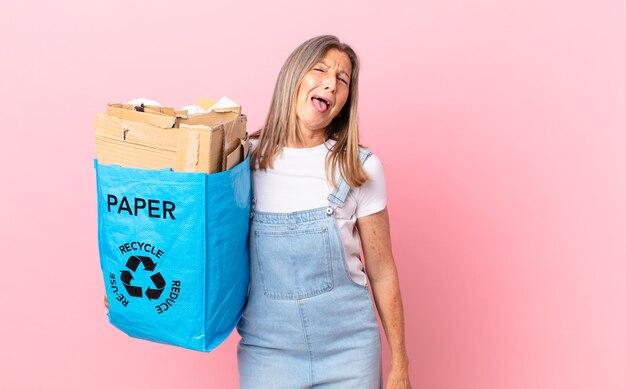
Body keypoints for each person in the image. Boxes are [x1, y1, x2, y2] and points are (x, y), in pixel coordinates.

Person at [237, 35, 411, 388]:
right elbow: (206, 239)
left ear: (345, 101)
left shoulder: (360, 168)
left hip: (351, 351)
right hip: (267, 351)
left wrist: (400, 364)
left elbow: (382, 270)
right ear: (293, 78)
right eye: (320, 70)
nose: (331, 83)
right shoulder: (243, 162)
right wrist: (131, 299)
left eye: (342, 80)